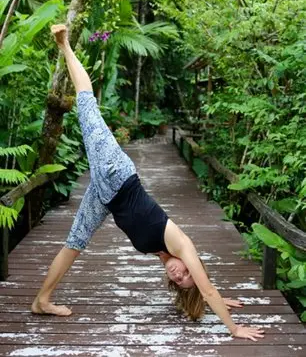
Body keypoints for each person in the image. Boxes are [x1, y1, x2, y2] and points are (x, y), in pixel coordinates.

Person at [31, 24, 265, 342]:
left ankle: (41, 300)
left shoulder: (165, 254)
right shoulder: (181, 244)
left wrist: (216, 300)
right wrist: (234, 328)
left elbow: (203, 291)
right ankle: (65, 44)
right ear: (191, 265)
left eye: (179, 280)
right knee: (87, 107)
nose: (178, 273)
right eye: (186, 272)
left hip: (105, 197)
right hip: (116, 173)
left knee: (75, 243)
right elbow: (205, 286)